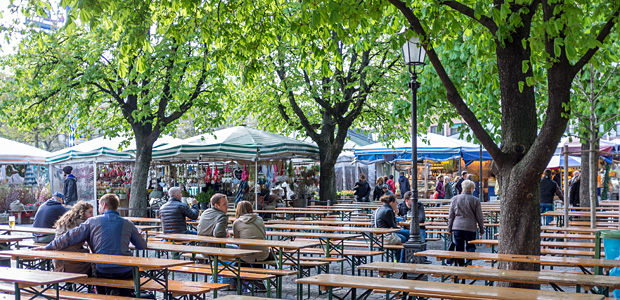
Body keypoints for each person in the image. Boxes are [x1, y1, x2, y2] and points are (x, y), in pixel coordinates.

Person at [43, 194, 147, 296]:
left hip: (102, 269)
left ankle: (104, 294)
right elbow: (142, 246)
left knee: (98, 270)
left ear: (104, 205)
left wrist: (48, 247)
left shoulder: (92, 222)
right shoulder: (128, 223)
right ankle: (121, 293)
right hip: (124, 270)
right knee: (131, 272)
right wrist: (142, 237)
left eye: (99, 205)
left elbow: (69, 237)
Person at [448, 180, 484, 266]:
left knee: (459, 248)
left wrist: (449, 228)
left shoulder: (455, 199)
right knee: (470, 247)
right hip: (470, 227)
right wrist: (481, 229)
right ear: (471, 189)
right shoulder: (475, 200)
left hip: (457, 227)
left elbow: (451, 215)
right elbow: (479, 216)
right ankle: (468, 264)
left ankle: (461, 266)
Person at [53, 201, 94, 275]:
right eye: (90, 212)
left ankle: (70, 286)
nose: (92, 215)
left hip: (58, 264)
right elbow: (92, 246)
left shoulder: (65, 220)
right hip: (73, 264)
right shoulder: (83, 224)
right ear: (82, 212)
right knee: (96, 266)